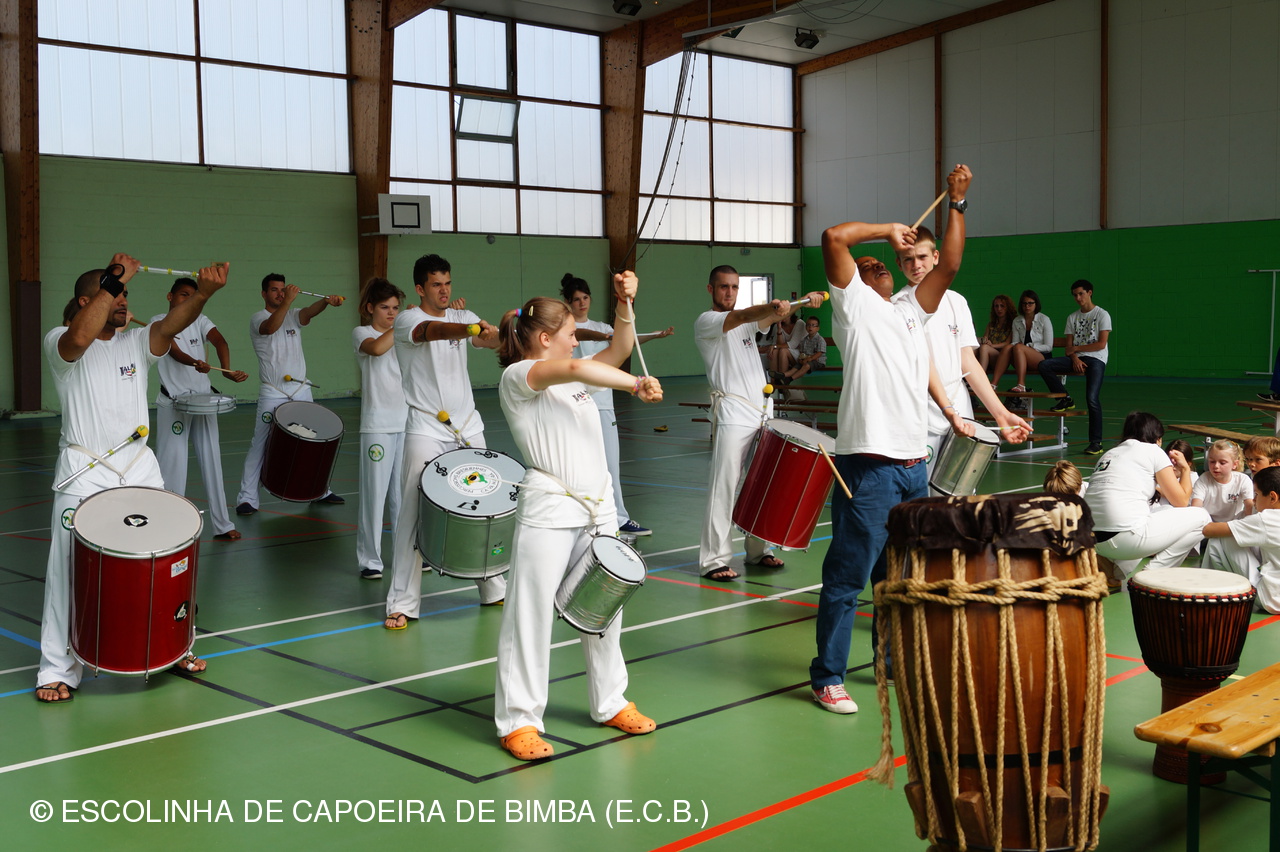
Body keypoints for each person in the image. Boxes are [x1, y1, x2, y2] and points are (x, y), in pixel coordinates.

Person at [810, 164, 971, 715]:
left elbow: (949, 263)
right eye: (869, 265)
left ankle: (890, 661)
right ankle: (828, 676)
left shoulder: (910, 312)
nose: (878, 265)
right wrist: (885, 230)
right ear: (854, 279)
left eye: (885, 264)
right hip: (869, 466)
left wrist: (958, 202)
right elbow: (834, 237)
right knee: (848, 575)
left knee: (897, 578)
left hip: (912, 467)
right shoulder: (853, 308)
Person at [36, 255, 229, 703]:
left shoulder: (137, 341)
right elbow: (80, 336)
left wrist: (203, 293)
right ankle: (57, 668)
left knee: (164, 560)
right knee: (66, 568)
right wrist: (114, 278)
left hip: (138, 467)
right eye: (115, 295)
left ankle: (173, 646)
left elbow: (171, 325)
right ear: (87, 301)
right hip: (84, 472)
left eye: (126, 295)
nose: (124, 301)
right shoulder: (59, 341)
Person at [492, 275, 663, 761]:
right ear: (546, 338)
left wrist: (626, 302)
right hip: (550, 511)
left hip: (597, 510)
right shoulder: (520, 376)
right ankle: (519, 720)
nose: (576, 340)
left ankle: (610, 702)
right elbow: (577, 365)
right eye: (570, 333)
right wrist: (635, 384)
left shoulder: (575, 378)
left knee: (605, 611)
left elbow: (620, 349)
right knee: (529, 616)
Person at [384, 254, 504, 629]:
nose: (444, 290)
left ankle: (493, 587)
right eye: (436, 284)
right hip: (425, 428)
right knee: (413, 511)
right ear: (420, 288)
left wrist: (501, 330)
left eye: (448, 283)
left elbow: (491, 341)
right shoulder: (408, 320)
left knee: (484, 507)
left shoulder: (464, 317)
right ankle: (402, 602)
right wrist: (469, 328)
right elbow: (432, 332)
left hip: (468, 426)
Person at [695, 267, 824, 581]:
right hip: (733, 414)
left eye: (734, 287)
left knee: (761, 483)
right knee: (725, 486)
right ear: (710, 289)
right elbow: (745, 315)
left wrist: (803, 302)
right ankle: (714, 560)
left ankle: (758, 551)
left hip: (761, 412)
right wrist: (773, 306)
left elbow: (772, 316)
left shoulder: (747, 324)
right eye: (723, 287)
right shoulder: (708, 321)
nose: (729, 292)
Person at [892, 227, 1030, 477]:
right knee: (922, 494)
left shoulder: (957, 301)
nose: (916, 265)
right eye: (908, 259)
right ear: (899, 263)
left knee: (959, 492)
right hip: (919, 415)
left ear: (935, 257)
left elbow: (968, 361)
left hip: (961, 410)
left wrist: (1001, 414)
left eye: (922, 257)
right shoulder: (897, 305)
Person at [561, 273, 672, 538]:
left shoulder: (602, 326)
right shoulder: (565, 331)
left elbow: (625, 342)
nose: (581, 303)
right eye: (576, 300)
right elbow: (586, 336)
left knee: (611, 466)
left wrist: (654, 336)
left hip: (603, 406)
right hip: (573, 408)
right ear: (568, 303)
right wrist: (604, 335)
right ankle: (579, 522)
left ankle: (618, 518)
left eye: (585, 298)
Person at [235, 273, 345, 514]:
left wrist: (326, 301)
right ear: (264, 294)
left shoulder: (294, 315)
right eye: (274, 290)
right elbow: (270, 328)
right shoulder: (258, 318)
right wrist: (287, 302)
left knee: (314, 441)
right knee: (260, 442)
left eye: (283, 290)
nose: (280, 293)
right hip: (273, 391)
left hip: (300, 389)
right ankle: (247, 498)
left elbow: (309, 312)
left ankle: (320, 490)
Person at [151, 277, 249, 542]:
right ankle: (171, 528)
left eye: (192, 296)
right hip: (174, 404)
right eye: (183, 294)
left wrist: (226, 370)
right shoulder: (158, 322)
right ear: (170, 297)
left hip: (203, 402)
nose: (188, 300)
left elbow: (220, 342)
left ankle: (222, 525)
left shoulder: (200, 320)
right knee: (173, 466)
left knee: (212, 462)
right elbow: (173, 351)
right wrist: (195, 361)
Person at [1084, 411, 1211, 587]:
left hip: (1092, 540)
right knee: (1202, 517)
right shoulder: (1153, 450)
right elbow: (1182, 502)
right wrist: (1185, 470)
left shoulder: (1109, 453)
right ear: (1157, 438)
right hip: (1125, 540)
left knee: (1164, 511)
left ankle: (1115, 572)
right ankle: (1150, 575)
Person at [352, 278, 409, 581]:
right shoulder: (362, 334)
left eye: (396, 308)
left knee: (404, 496)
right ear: (370, 308)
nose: (391, 313)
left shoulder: (403, 335)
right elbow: (376, 349)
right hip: (377, 425)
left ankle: (406, 554)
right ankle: (370, 560)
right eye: (385, 307)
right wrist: (402, 326)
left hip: (407, 423)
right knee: (375, 496)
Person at [1037, 280, 1111, 455]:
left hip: (1096, 359)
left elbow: (1101, 344)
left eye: (1081, 294)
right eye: (1075, 295)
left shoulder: (1102, 314)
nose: (1078, 298)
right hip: (1076, 358)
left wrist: (1076, 350)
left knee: (1092, 398)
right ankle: (1066, 398)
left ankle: (1096, 443)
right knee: (1044, 365)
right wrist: (1075, 358)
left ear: (1089, 293)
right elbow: (1069, 348)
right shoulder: (1072, 317)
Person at [1203, 466, 1280, 611]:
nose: (1254, 500)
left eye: (1257, 494)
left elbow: (1208, 530)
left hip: (1271, 598)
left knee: (1220, 538)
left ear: (1272, 497)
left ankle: (1205, 589)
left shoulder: (1266, 519)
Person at [990, 289, 1053, 407]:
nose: (1027, 306)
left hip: (1041, 358)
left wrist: (1029, 346)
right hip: (1021, 357)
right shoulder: (1017, 320)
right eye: (1024, 303)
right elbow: (1015, 342)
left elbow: (1048, 347)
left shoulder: (1044, 319)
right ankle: (993, 384)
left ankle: (1021, 384)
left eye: (1030, 303)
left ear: (1036, 304)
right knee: (1008, 347)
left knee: (1018, 347)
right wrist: (1015, 346)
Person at [1192, 440, 1253, 522]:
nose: (1216, 466)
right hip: (1208, 523)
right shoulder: (1204, 479)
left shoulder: (1242, 480)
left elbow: (1249, 506)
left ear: (1234, 464)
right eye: (1212, 462)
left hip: (1234, 523)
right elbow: (1196, 507)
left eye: (1222, 463)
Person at [1151, 438, 1197, 512]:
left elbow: (1177, 497)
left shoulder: (1193, 477)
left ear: (1188, 464)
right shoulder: (1161, 473)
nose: (1173, 466)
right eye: (1169, 462)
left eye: (1177, 463)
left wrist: (1155, 488)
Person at [975, 294, 1013, 375]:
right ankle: (966, 377)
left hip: (1002, 358)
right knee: (974, 348)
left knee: (984, 348)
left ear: (1008, 307)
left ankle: (981, 377)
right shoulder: (991, 324)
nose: (999, 309)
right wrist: (984, 340)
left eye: (1002, 306)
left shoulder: (1012, 324)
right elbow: (985, 338)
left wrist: (992, 345)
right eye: (996, 306)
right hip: (987, 354)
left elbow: (1007, 343)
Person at [782, 316, 827, 383]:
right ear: (805, 327)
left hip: (817, 361)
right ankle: (783, 375)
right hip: (806, 360)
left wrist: (810, 359)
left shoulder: (820, 339)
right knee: (796, 366)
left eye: (813, 325)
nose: (810, 327)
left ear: (817, 328)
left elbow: (819, 353)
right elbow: (802, 352)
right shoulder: (804, 339)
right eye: (808, 325)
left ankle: (790, 379)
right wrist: (801, 359)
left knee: (806, 366)